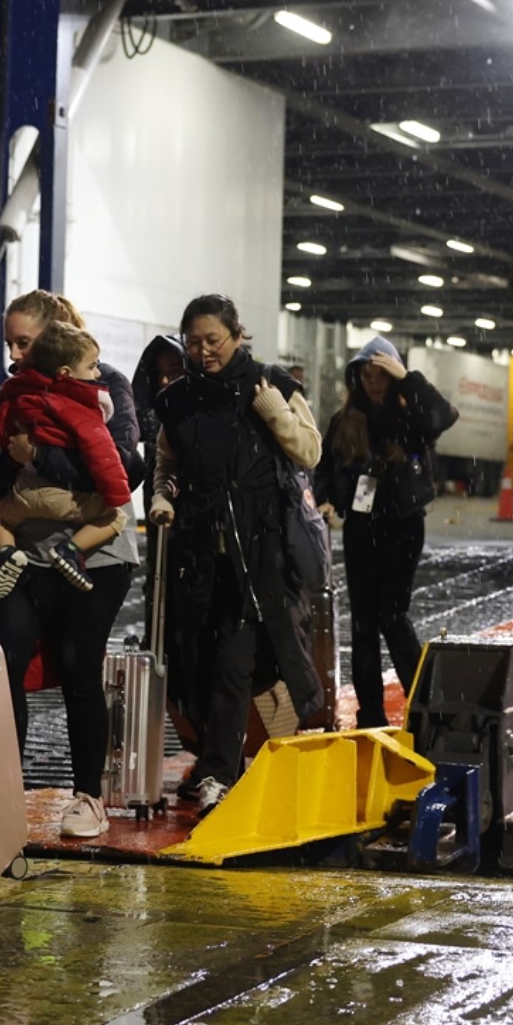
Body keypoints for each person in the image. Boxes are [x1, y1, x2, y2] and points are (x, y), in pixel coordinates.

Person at [0, 289, 143, 840]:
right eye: (9, 344)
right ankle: (3, 792)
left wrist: (39, 455)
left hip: (96, 552)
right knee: (3, 660)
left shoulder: (103, 384)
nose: (15, 355)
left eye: (25, 342)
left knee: (77, 667)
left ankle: (88, 796)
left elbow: (119, 469)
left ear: (54, 334)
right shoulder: (12, 394)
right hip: (26, 550)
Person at [149, 294, 323, 812]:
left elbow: (310, 451)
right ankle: (211, 760)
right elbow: (167, 465)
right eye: (194, 342)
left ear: (237, 335)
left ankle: (221, 770)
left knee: (232, 661)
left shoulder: (271, 385)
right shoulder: (177, 401)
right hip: (199, 555)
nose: (204, 351)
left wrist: (276, 417)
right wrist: (163, 495)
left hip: (261, 556)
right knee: (193, 661)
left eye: (213, 340)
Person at [314, 336, 458, 729]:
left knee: (393, 616)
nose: (374, 383)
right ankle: (370, 715)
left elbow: (443, 416)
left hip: (403, 526)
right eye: (367, 375)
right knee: (363, 624)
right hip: (361, 528)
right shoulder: (345, 421)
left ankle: (426, 706)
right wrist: (327, 499)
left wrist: (407, 377)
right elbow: (324, 468)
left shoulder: (411, 417)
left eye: (382, 375)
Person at [0, 321, 131, 596]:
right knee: (115, 517)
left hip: (25, 492)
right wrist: (115, 493)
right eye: (91, 367)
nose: (98, 373)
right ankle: (71, 550)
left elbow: (0, 427)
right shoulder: (78, 406)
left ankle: (7, 553)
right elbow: (102, 451)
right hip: (63, 498)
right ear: (65, 372)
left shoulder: (19, 394)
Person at [131, 334, 186, 631]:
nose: (165, 381)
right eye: (159, 374)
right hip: (160, 513)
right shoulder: (153, 418)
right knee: (159, 576)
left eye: (175, 372)